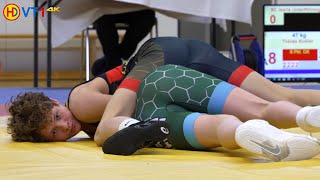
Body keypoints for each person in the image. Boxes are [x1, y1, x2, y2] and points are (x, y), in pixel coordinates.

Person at [6, 37, 320, 162]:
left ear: (56, 102)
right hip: (189, 54)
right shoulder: (76, 109)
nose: (65, 125)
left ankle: (246, 129)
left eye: (57, 116)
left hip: (157, 63)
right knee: (285, 96)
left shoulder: (79, 100)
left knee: (106, 132)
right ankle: (306, 114)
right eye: (55, 132)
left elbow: (138, 103)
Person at [91, 10, 156, 76]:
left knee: (148, 16)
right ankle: (114, 65)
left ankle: (113, 62)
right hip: (106, 9)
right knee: (101, 16)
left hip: (137, 10)